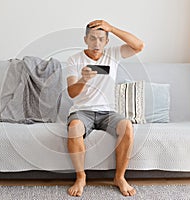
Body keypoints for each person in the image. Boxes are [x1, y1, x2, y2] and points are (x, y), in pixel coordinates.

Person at [66, 19, 144, 197]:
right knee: (74, 128)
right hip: (82, 111)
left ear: (107, 41)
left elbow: (139, 45)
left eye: (101, 39)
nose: (97, 43)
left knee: (127, 126)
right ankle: (81, 177)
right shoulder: (74, 60)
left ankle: (119, 177)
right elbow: (71, 93)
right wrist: (83, 80)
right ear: (85, 39)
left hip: (108, 112)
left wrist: (112, 28)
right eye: (92, 38)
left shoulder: (113, 54)